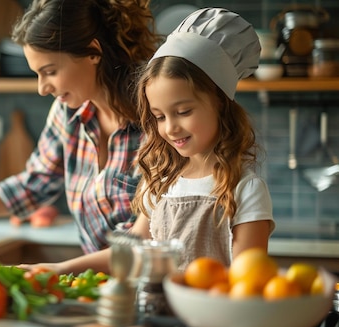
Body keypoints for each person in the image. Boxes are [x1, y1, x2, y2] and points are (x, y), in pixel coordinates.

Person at [27, 7, 275, 275]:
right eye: (159, 116)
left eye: (183, 112)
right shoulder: (160, 180)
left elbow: (247, 283)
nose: (170, 128)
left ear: (220, 104)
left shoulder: (245, 190)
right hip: (154, 314)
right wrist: (60, 268)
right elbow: (130, 252)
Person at [0, 0, 159, 254]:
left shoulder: (157, 119)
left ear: (92, 52)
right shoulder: (67, 112)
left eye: (50, 71)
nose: (42, 88)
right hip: (97, 284)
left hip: (146, 283)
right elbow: (31, 187)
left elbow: (141, 243)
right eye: (37, 74)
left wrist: (57, 271)